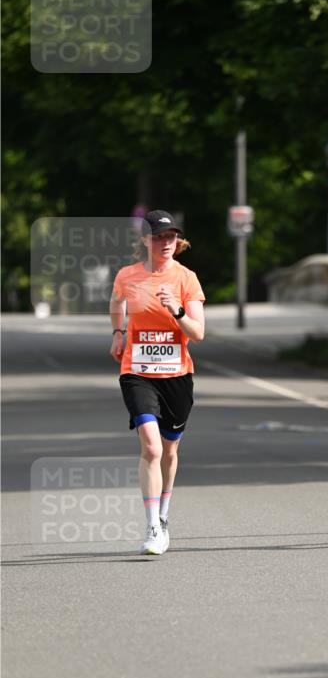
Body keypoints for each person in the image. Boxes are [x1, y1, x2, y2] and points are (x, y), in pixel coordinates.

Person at [109, 210, 206, 555]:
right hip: (136, 371)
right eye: (159, 237)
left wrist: (177, 310)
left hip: (177, 375)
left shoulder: (186, 279)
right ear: (145, 241)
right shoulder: (128, 276)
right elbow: (116, 301)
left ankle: (164, 516)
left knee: (169, 450)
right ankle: (152, 526)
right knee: (150, 447)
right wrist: (118, 332)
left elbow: (199, 333)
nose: (166, 243)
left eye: (171, 238)